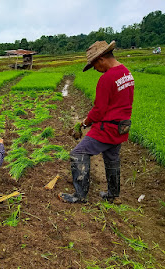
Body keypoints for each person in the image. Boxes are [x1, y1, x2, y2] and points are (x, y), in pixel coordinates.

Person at [59, 40, 134, 203]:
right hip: (123, 126)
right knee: (112, 157)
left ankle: (80, 196)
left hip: (108, 127)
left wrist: (84, 123)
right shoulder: (126, 73)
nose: (95, 69)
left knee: (78, 153)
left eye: (94, 65)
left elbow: (99, 110)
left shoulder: (107, 78)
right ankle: (113, 196)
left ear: (101, 59)